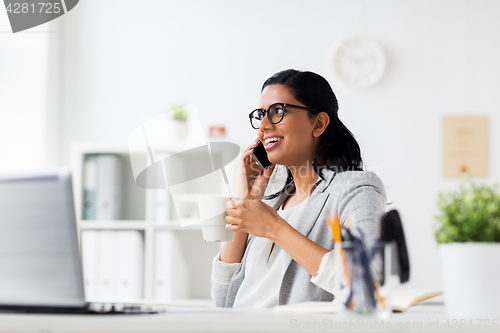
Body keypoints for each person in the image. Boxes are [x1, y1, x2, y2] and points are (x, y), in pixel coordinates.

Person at [211, 69, 387, 308]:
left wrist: (275, 228)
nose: (263, 126)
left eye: (277, 111)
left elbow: (368, 281)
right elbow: (223, 300)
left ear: (319, 123)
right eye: (261, 114)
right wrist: (246, 200)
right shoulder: (273, 202)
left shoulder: (356, 189)